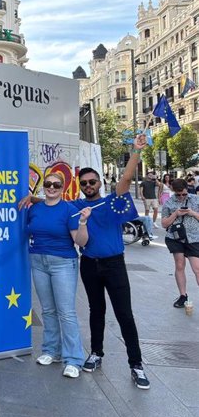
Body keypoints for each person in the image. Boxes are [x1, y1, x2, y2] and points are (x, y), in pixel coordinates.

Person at [72, 134, 150, 390]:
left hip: (114, 264)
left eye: (92, 181)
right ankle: (96, 353)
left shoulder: (112, 201)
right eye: (84, 183)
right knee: (96, 311)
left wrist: (135, 151)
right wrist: (35, 199)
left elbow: (126, 179)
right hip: (90, 265)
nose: (88, 185)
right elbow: (52, 203)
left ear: (100, 182)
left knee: (124, 314)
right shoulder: (76, 206)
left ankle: (136, 364)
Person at [25, 173, 90, 379]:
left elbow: (81, 242)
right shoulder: (35, 208)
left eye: (56, 185)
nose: (52, 187)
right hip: (38, 261)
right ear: (43, 186)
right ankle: (51, 351)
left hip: (63, 263)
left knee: (66, 312)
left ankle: (74, 359)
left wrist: (82, 223)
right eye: (48, 184)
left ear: (63, 188)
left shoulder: (69, 210)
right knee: (48, 310)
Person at [161, 178, 199, 309]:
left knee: (197, 268)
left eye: (184, 194)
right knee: (180, 264)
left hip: (194, 238)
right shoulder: (169, 203)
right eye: (178, 194)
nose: (182, 197)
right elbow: (164, 224)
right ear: (173, 191)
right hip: (175, 238)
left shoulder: (195, 199)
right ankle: (183, 296)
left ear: (187, 189)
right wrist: (176, 214)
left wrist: (192, 213)